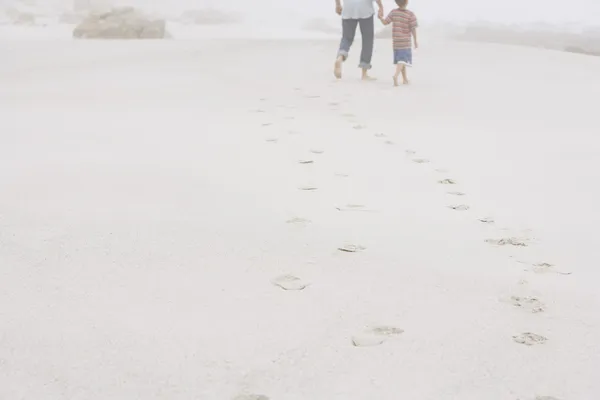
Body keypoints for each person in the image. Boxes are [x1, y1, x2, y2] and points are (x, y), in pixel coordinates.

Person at [334, 0, 384, 80]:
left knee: (346, 37)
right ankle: (364, 73)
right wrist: (381, 7)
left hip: (348, 8)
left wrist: (338, 5)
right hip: (365, 8)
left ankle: (340, 57)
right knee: (367, 40)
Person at [378, 0, 418, 86]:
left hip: (396, 42)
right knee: (403, 60)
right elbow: (413, 28)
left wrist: (380, 17)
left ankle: (405, 79)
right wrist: (415, 40)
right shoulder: (410, 14)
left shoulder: (394, 12)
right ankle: (396, 75)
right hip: (405, 42)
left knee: (401, 60)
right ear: (407, 2)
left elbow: (385, 22)